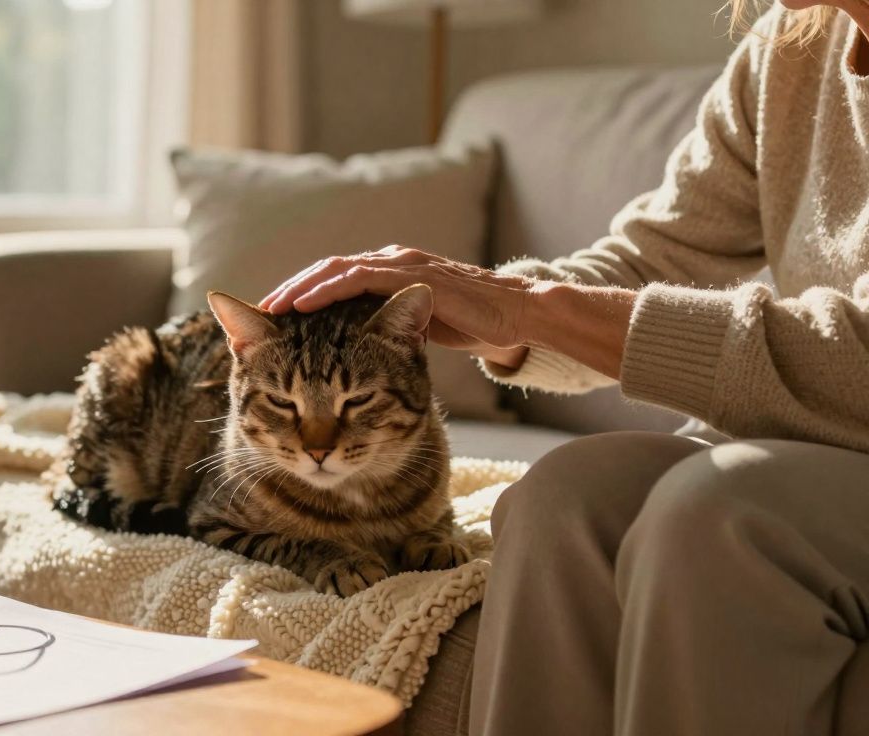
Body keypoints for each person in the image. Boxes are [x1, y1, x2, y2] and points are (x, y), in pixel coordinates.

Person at [259, 1, 869, 734]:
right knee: (562, 499)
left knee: (716, 517)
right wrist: (490, 310)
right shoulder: (793, 47)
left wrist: (533, 308)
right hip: (820, 446)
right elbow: (653, 260)